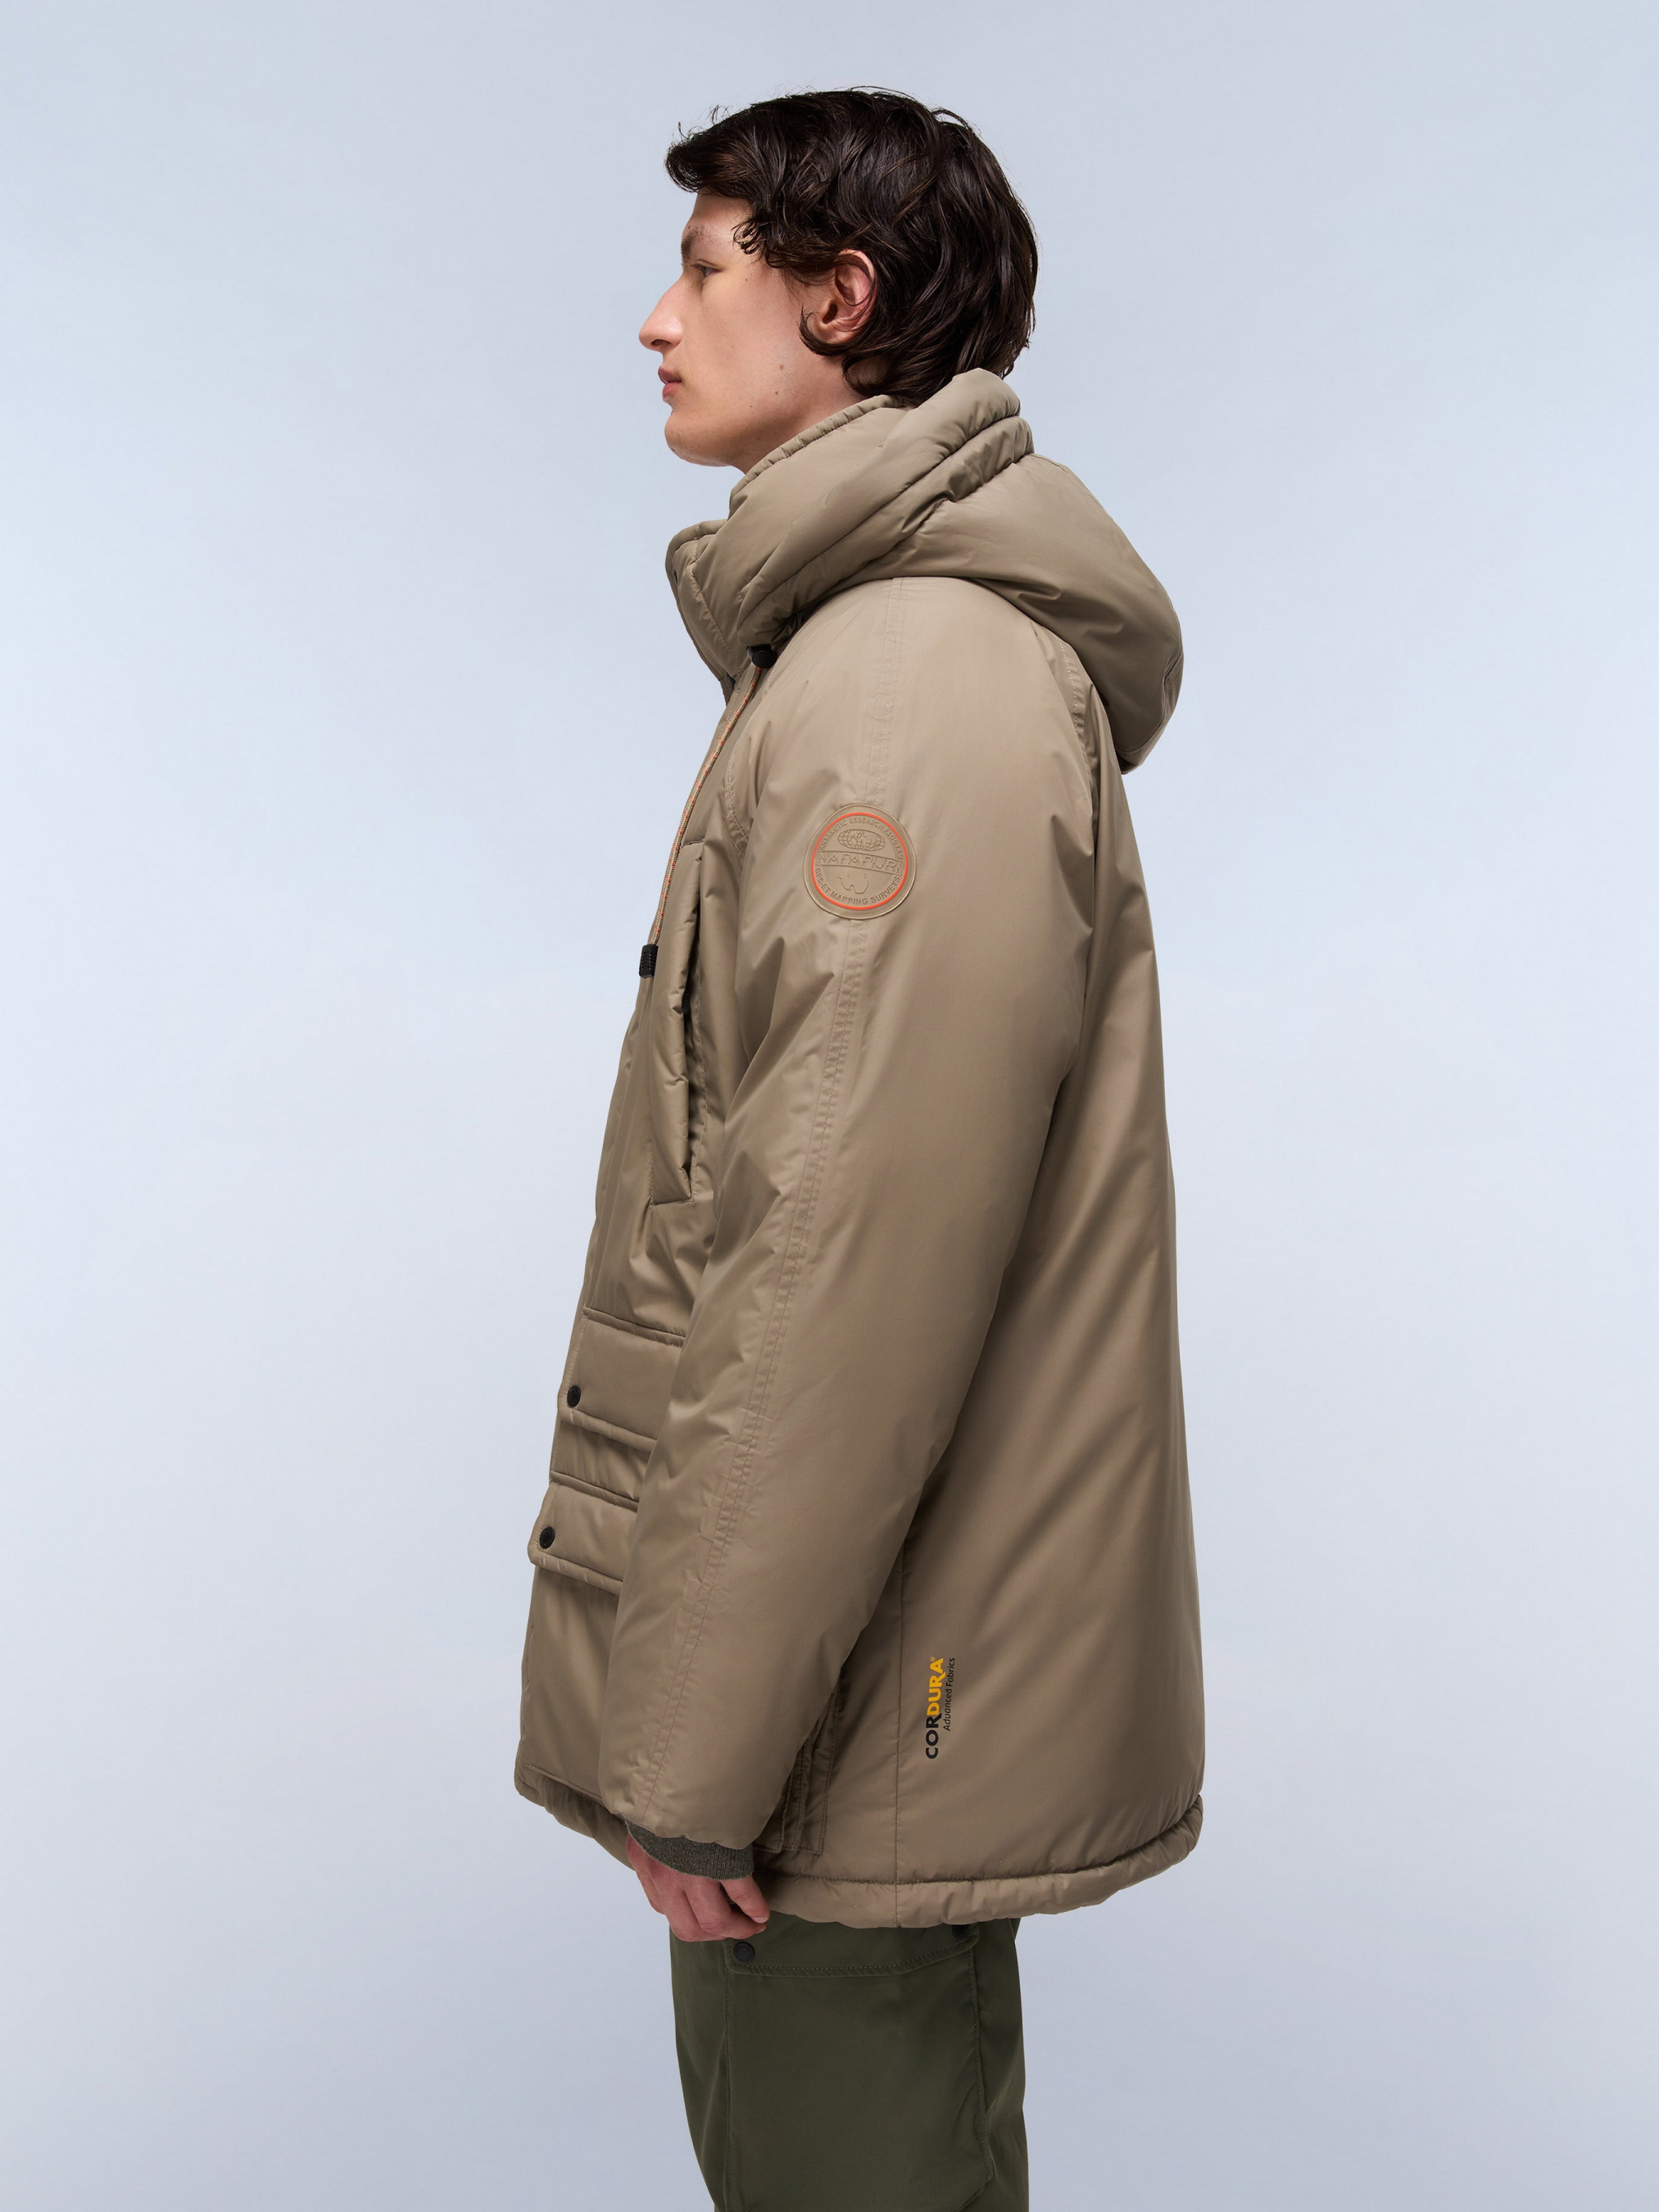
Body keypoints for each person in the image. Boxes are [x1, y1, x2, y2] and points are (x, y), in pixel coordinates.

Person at [514, 88, 1203, 2212]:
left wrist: (694, 1757)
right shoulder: (870, 651)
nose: (655, 320)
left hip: (843, 1712)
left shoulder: (909, 688)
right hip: (845, 1674)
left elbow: (838, 1264)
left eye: (705, 267)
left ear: (842, 298)